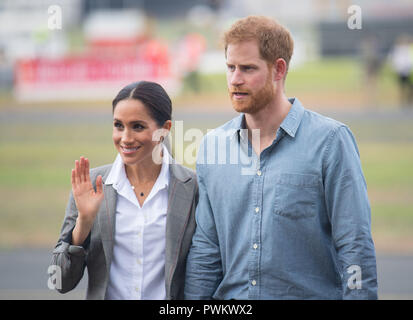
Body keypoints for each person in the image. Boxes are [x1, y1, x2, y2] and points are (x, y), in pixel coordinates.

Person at [184, 16, 378, 300]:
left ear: (278, 69)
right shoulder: (213, 147)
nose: (235, 79)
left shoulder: (331, 141)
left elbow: (355, 244)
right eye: (230, 67)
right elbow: (206, 251)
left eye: (247, 68)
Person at [50, 81, 198, 300]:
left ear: (164, 129)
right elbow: (59, 282)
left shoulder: (192, 188)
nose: (126, 138)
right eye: (119, 125)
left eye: (138, 126)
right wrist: (83, 224)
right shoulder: (90, 185)